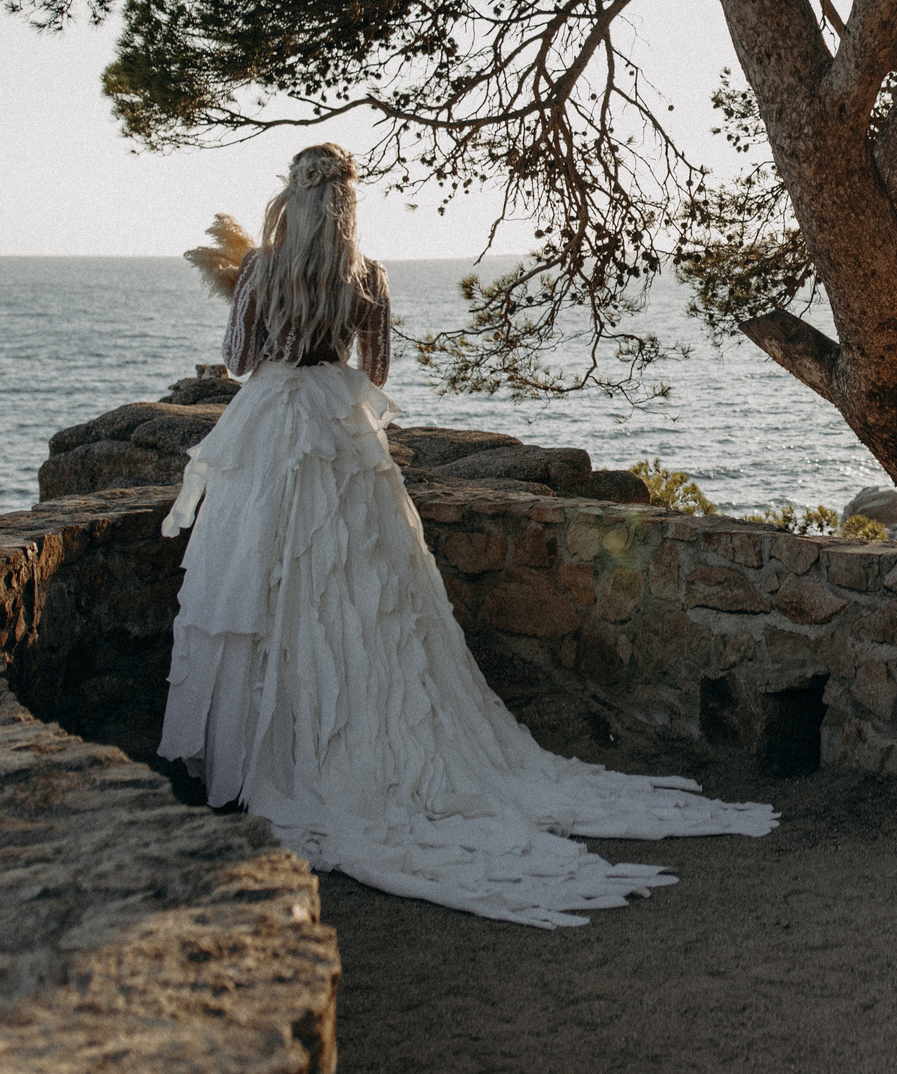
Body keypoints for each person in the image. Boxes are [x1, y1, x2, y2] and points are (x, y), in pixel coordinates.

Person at [158, 143, 776, 927]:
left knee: (264, 590)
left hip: (270, 433)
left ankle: (267, 754)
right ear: (347, 203)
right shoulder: (368, 276)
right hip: (338, 439)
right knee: (357, 600)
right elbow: (375, 373)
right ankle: (351, 749)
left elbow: (238, 358)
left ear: (293, 197)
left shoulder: (260, 271)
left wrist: (264, 311)